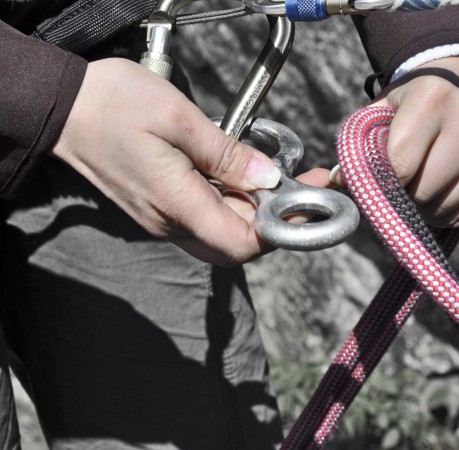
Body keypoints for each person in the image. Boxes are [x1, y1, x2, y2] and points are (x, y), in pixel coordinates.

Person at [0, 3, 458, 450]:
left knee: (186, 423)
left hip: (106, 78)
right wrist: (49, 98)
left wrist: (430, 49)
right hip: (83, 95)